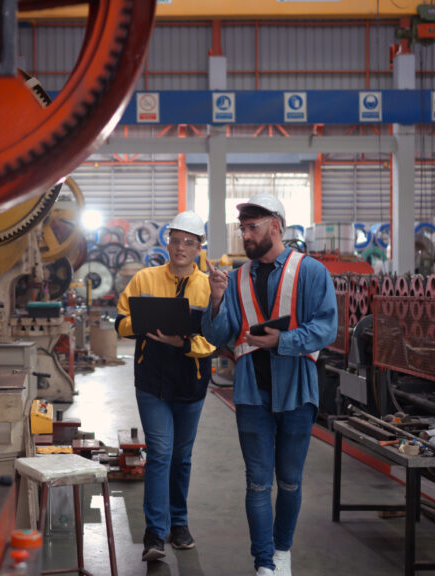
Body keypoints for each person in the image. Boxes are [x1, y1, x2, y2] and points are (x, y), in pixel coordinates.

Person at [201, 193, 337, 576]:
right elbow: (219, 335)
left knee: (290, 483)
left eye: (252, 227)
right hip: (251, 394)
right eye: (242, 228)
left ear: (275, 226)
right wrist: (215, 301)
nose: (245, 235)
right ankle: (263, 563)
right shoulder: (237, 278)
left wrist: (284, 341)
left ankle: (282, 551)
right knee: (258, 484)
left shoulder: (310, 272)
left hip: (297, 391)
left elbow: (327, 327)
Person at [115, 211, 217, 562]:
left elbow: (217, 339)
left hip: (191, 382)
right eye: (176, 240)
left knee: (182, 458)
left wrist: (183, 345)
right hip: (152, 383)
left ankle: (179, 525)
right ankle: (155, 535)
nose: (181, 247)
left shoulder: (208, 286)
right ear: (167, 242)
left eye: (189, 242)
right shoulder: (144, 279)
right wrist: (142, 325)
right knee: (160, 454)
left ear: (199, 247)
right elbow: (120, 322)